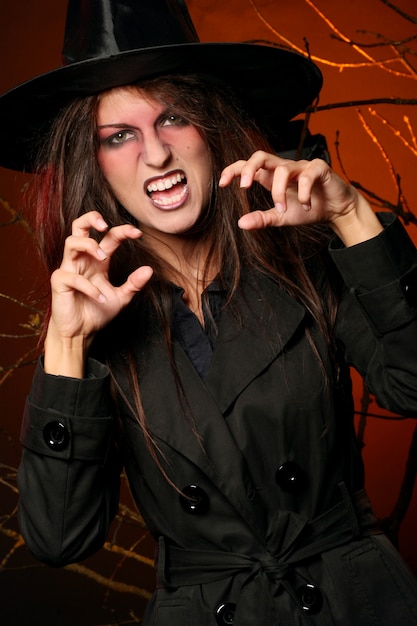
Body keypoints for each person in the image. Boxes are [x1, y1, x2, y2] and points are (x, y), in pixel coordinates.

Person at [1, 0, 417, 624]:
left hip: (357, 600)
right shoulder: (93, 327)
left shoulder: (304, 259)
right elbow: (61, 538)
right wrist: (65, 349)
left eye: (173, 118)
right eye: (119, 136)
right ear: (97, 165)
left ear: (212, 126)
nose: (155, 154)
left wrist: (352, 217)